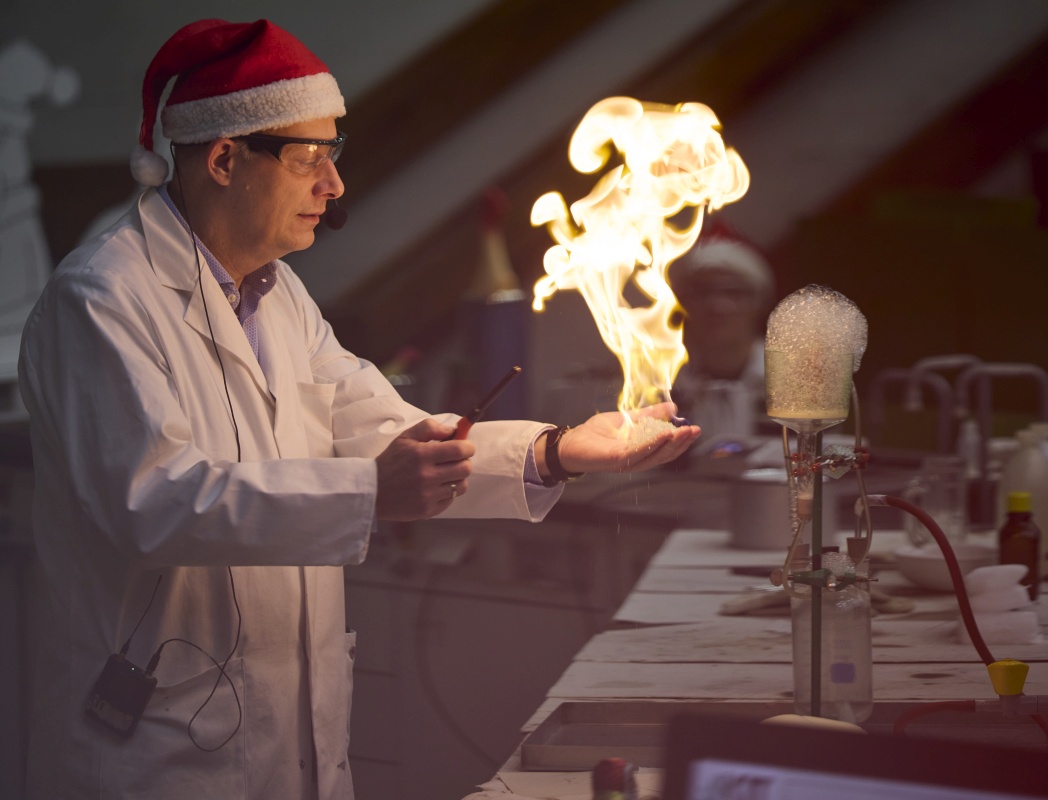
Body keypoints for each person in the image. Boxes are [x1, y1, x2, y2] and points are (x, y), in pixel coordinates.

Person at [18, 19, 698, 799]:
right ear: (224, 159)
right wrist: (371, 492)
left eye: (333, 158)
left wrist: (558, 453)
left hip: (285, 741)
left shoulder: (276, 294)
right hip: (157, 756)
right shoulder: (100, 301)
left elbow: (378, 425)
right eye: (310, 159)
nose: (335, 186)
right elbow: (156, 502)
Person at [668, 231, 775, 453]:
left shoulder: (793, 379)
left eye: (733, 292)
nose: (717, 306)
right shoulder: (661, 381)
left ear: (759, 301)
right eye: (703, 292)